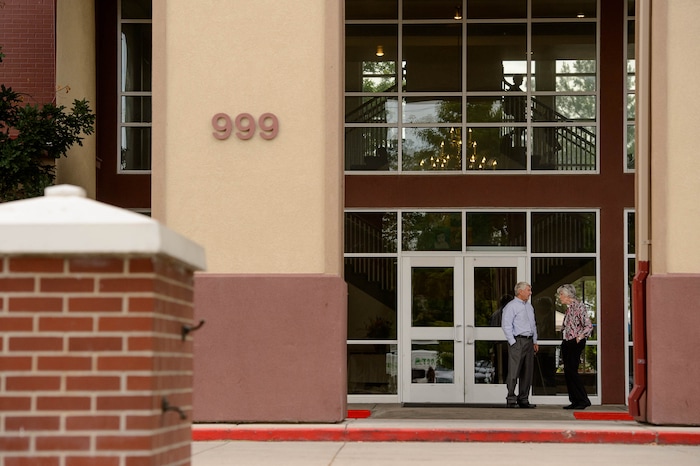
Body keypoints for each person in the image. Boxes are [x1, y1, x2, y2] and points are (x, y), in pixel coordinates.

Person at [501, 282, 538, 408]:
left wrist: (535, 341)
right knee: (514, 371)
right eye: (528, 290)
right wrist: (513, 342)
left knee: (527, 372)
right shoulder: (511, 306)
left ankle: (523, 399)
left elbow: (533, 325)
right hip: (518, 340)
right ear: (520, 291)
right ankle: (511, 398)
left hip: (529, 340)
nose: (530, 292)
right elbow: (506, 325)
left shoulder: (529, 306)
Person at [557, 284, 593, 410]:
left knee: (572, 370)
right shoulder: (569, 309)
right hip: (567, 341)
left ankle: (583, 400)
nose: (559, 297)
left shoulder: (579, 306)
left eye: (561, 294)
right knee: (568, 371)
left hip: (574, 342)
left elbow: (588, 326)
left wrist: (579, 338)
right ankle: (575, 400)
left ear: (567, 295)